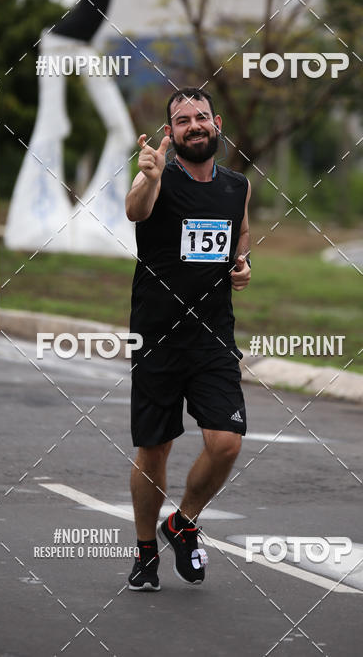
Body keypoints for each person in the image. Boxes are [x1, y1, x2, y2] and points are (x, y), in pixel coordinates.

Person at [124, 87, 251, 591]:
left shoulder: (237, 185)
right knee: (155, 451)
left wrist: (243, 263)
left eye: (201, 117)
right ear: (171, 132)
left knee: (226, 442)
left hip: (213, 337)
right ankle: (145, 552)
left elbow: (240, 234)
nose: (194, 125)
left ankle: (182, 522)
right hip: (156, 337)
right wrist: (149, 178)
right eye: (182, 120)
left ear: (216, 123)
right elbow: (136, 211)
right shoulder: (156, 175)